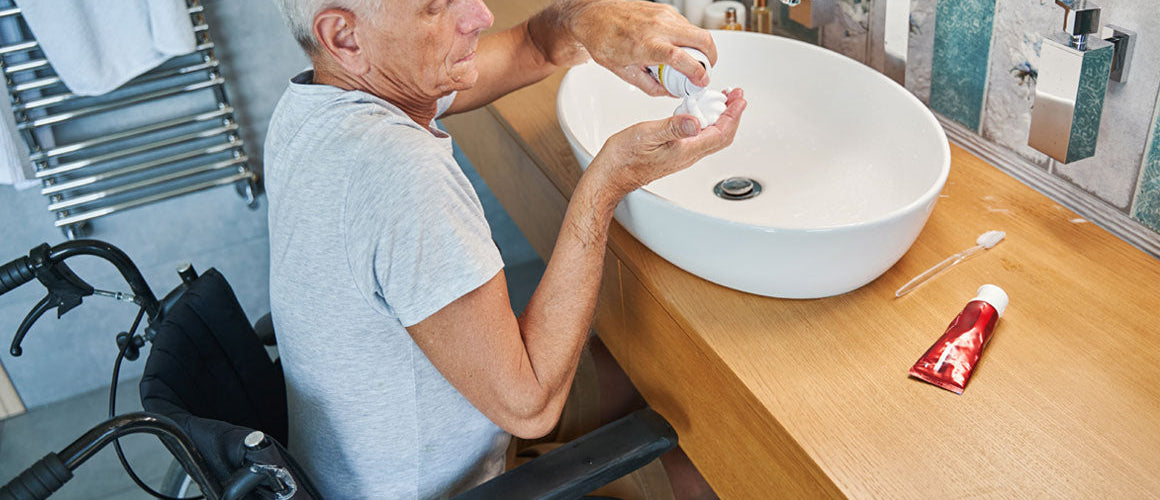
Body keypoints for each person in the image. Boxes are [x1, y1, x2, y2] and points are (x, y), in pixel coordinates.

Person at [264, 0, 746, 498]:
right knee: (710, 458)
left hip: (393, 448)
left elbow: (530, 46)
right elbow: (530, 405)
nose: (481, 16)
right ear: (344, 37)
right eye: (437, 8)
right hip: (461, 483)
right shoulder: (395, 170)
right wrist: (605, 185)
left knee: (659, 376)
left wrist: (579, 18)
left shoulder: (321, 102)